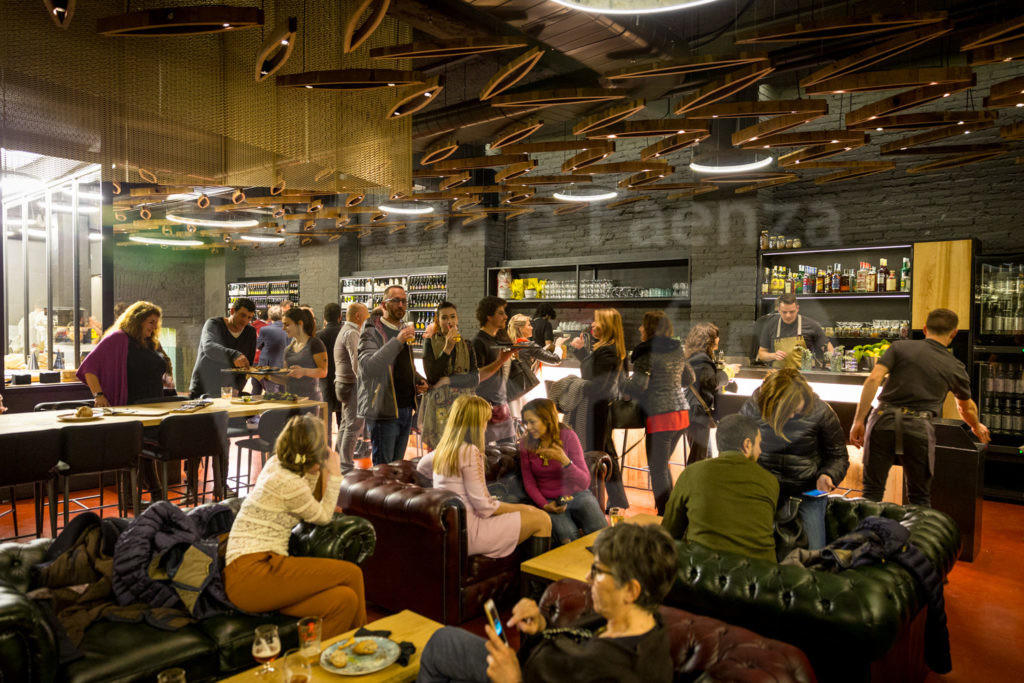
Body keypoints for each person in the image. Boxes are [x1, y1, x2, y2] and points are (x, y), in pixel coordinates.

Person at [417, 522, 675, 683]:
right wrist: (542, 627)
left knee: (440, 649)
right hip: (530, 665)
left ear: (630, 590)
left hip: (521, 675)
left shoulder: (624, 670)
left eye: (597, 571)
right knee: (443, 642)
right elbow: (574, 644)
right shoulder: (634, 620)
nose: (588, 578)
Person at [223, 414, 365, 638]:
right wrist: (336, 474)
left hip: (255, 572)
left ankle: (320, 655)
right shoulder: (288, 483)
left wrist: (314, 467)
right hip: (253, 572)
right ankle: (366, 642)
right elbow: (322, 516)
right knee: (352, 573)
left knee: (343, 600)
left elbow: (305, 492)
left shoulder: (275, 464)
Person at [851, 308, 989, 507]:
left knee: (871, 492)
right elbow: (965, 408)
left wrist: (858, 420)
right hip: (918, 427)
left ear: (925, 329)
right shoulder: (954, 366)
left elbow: (873, 380)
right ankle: (915, 528)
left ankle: (866, 528)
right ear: (954, 333)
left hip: (882, 419)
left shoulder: (899, 347)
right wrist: (976, 426)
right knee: (919, 497)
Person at [740, 368, 848, 550]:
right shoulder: (753, 407)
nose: (791, 416)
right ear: (770, 403)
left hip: (808, 491)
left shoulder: (821, 412)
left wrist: (828, 474)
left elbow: (838, 455)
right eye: (787, 411)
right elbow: (738, 448)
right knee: (752, 549)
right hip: (763, 489)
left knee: (815, 552)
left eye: (797, 411)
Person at [432, 395, 551, 558]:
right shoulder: (469, 451)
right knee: (542, 519)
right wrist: (523, 508)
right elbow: (484, 506)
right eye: (484, 421)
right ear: (475, 423)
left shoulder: (443, 449)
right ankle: (535, 575)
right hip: (471, 532)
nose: (486, 427)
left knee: (533, 515)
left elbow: (421, 466)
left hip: (454, 530)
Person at [662, 413, 778, 563]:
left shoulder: (692, 473)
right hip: (762, 572)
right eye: (759, 444)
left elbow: (669, 532)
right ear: (747, 444)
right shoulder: (770, 481)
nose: (760, 451)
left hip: (704, 570)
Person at [627, 311, 694, 516]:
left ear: (649, 328)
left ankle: (666, 515)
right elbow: (689, 378)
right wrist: (669, 382)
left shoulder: (646, 351)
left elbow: (638, 386)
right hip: (681, 413)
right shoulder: (676, 349)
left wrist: (620, 384)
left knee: (658, 469)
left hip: (661, 416)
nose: (640, 328)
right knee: (662, 467)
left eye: (643, 325)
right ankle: (672, 511)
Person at [519, 398, 606, 545]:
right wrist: (544, 505)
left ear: (546, 419)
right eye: (525, 423)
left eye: (532, 422)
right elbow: (529, 482)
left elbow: (585, 482)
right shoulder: (525, 443)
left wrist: (565, 461)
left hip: (577, 494)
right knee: (568, 537)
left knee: (601, 532)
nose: (528, 427)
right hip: (550, 500)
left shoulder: (568, 436)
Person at [357, 285, 428, 465]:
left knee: (398, 467)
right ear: (384, 305)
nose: (401, 305)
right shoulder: (371, 331)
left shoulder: (403, 329)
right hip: (383, 409)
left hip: (405, 407)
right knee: (384, 469)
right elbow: (369, 367)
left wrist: (418, 379)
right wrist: (397, 341)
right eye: (396, 300)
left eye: (404, 301)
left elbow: (404, 365)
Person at [77, 301, 170, 408]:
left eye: (156, 323)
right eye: (151, 322)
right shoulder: (118, 338)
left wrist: (165, 378)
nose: (155, 327)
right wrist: (99, 396)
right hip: (130, 407)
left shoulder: (150, 342)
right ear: (137, 321)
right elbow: (88, 368)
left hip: (156, 405)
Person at [421, 301, 479, 449]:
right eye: (444, 318)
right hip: (440, 405)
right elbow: (432, 377)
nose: (449, 322)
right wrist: (447, 349)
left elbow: (474, 378)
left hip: (464, 404)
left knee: (465, 448)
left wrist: (448, 380)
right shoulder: (429, 343)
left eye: (452, 317)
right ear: (438, 321)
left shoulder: (467, 345)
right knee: (441, 450)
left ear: (457, 319)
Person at [568, 308, 626, 454]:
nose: (592, 324)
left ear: (607, 325)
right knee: (600, 451)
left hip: (596, 411)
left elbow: (597, 386)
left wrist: (572, 384)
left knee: (594, 453)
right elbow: (594, 370)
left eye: (597, 321)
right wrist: (580, 350)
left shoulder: (607, 350)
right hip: (597, 408)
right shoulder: (606, 348)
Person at [683, 322, 740, 464]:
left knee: (703, 457)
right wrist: (728, 372)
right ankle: (690, 479)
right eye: (716, 336)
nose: (719, 339)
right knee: (698, 459)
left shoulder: (694, 357)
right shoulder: (702, 359)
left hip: (691, 411)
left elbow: (703, 383)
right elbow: (711, 383)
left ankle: (697, 478)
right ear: (709, 340)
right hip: (697, 413)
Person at [189, 298, 257, 398]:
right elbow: (209, 347)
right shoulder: (213, 324)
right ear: (232, 311)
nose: (245, 321)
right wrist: (234, 355)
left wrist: (238, 387)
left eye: (249, 317)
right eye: (242, 315)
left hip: (228, 390)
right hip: (204, 387)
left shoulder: (250, 332)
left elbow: (247, 365)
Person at [472, 296, 517, 444]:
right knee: (484, 452)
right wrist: (501, 360)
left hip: (500, 403)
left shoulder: (497, 340)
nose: (506, 317)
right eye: (501, 313)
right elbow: (476, 376)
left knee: (510, 449)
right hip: (486, 408)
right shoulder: (478, 342)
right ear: (488, 316)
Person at [506, 313, 565, 418]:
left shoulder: (509, 345)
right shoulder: (530, 346)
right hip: (525, 389)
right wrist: (558, 345)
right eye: (529, 325)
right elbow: (555, 359)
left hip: (511, 390)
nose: (532, 327)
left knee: (514, 419)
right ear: (520, 329)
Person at [334, 302, 369, 465]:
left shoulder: (345, 330)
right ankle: (346, 465)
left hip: (342, 383)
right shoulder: (352, 333)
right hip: (351, 384)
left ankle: (339, 460)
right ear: (358, 316)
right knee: (354, 426)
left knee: (346, 424)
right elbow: (357, 363)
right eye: (366, 314)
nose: (368, 317)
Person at [756, 293, 834, 367]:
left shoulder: (812, 325)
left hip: (804, 373)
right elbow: (761, 354)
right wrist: (773, 355)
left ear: (797, 308)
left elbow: (829, 348)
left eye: (792, 312)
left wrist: (830, 361)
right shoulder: (771, 325)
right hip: (779, 374)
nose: (788, 315)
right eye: (784, 312)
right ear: (779, 310)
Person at [273, 307, 328, 401]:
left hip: (310, 400)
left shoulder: (315, 344)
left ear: (300, 324)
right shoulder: (288, 349)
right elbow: (286, 378)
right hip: (291, 400)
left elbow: (323, 372)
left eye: (287, 324)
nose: (283, 328)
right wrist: (266, 376)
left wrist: (303, 371)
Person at [317, 303, 344, 437]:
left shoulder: (319, 335)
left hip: (325, 380)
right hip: (343, 378)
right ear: (340, 317)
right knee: (343, 420)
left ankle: (326, 445)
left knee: (324, 417)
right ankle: (341, 447)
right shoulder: (346, 333)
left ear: (324, 317)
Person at [257, 305, 288, 392]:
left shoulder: (265, 329)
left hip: (268, 366)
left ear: (269, 316)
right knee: (284, 393)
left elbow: (258, 345)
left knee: (271, 393)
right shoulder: (289, 329)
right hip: (285, 365)